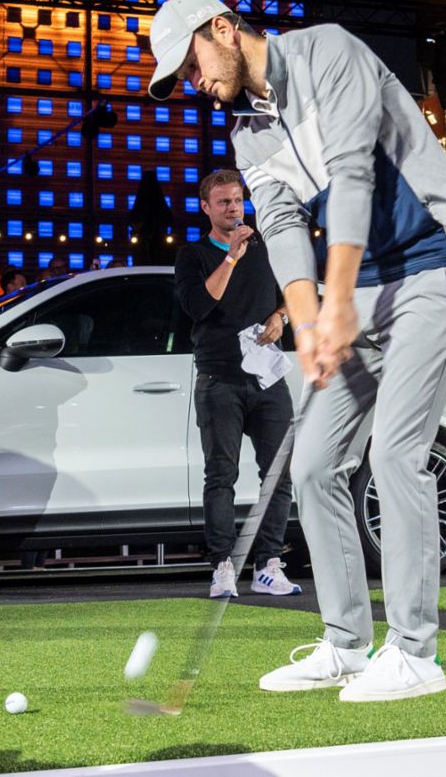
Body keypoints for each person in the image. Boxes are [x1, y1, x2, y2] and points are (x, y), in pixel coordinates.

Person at [149, 0, 446, 701]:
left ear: (223, 29)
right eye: (181, 77)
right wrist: (308, 322)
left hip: (437, 265)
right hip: (359, 287)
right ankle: (346, 643)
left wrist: (332, 303)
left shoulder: (328, 52)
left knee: (395, 451)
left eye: (191, 64)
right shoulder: (247, 133)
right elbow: (277, 224)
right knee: (311, 464)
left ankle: (417, 653)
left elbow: (354, 178)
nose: (194, 82)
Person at [173, 169, 299, 598]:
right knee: (221, 476)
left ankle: (268, 565)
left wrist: (281, 317)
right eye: (224, 201)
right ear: (206, 208)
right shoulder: (193, 255)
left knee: (278, 475)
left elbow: (292, 290)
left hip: (267, 379)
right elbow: (200, 304)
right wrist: (230, 256)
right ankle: (223, 566)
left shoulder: (263, 247)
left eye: (238, 199)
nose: (234, 208)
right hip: (219, 379)